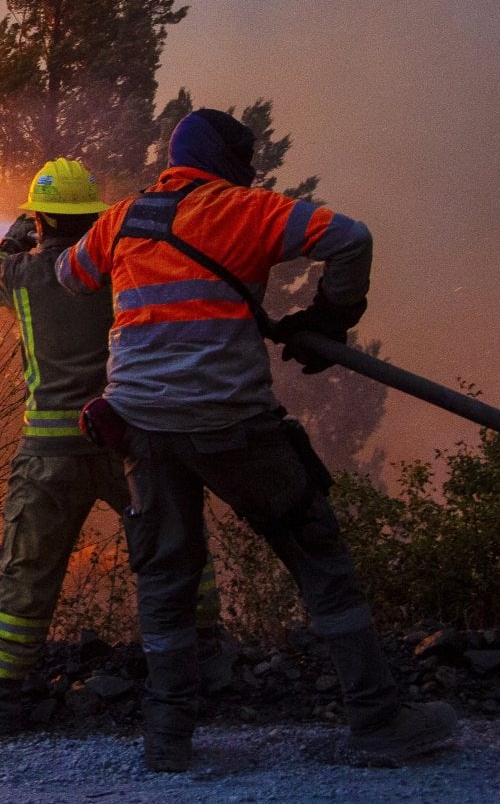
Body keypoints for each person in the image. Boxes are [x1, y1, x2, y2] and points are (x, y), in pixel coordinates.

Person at [56, 108, 458, 771]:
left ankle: (168, 741)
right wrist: (331, 317)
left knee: (166, 576)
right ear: (226, 162)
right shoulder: (245, 208)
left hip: (143, 427)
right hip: (230, 423)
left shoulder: (123, 217)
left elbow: (72, 275)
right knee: (316, 552)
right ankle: (378, 717)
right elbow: (350, 237)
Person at [0, 157, 221, 734]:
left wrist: (14, 235)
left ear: (40, 218)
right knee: (172, 543)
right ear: (94, 218)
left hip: (48, 454)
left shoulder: (22, 278)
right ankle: (204, 658)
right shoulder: (119, 268)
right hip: (124, 437)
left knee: (27, 567)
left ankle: (6, 697)